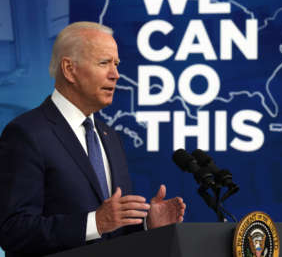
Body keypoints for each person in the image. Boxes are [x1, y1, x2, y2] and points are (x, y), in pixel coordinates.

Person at [0, 22, 186, 257]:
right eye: (104, 63)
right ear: (69, 69)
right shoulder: (27, 133)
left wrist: (148, 226)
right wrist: (93, 223)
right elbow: (13, 231)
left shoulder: (110, 137)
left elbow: (113, 232)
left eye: (116, 64)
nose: (115, 74)